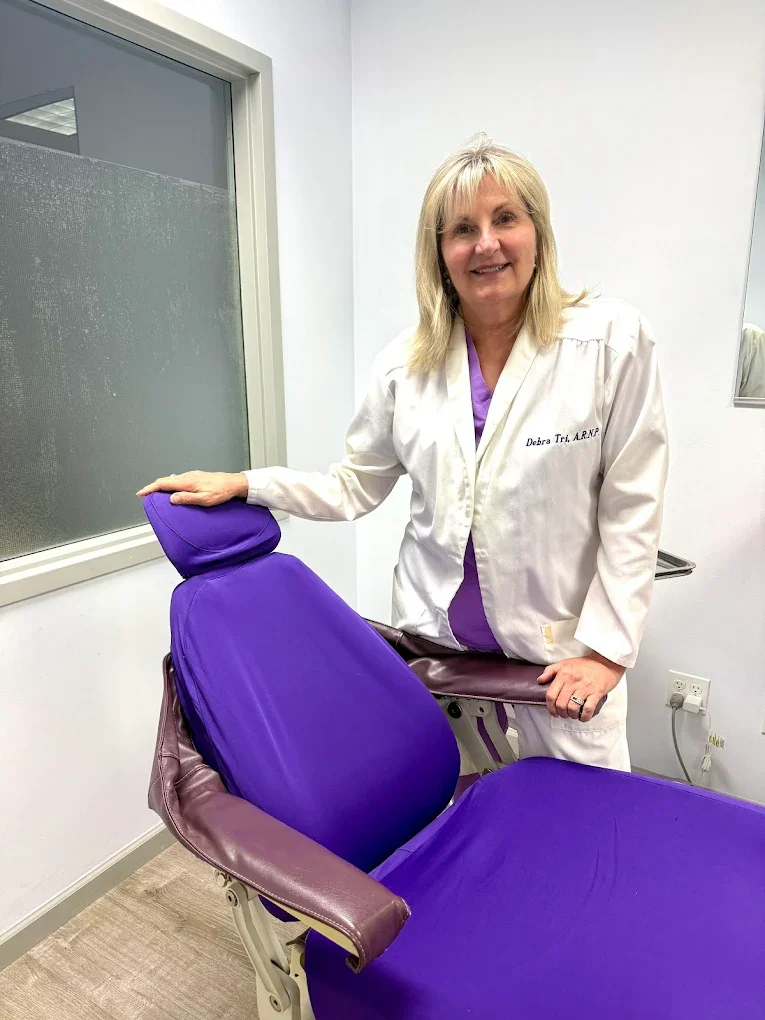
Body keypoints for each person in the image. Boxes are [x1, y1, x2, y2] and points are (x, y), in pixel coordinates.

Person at [138, 133, 668, 772]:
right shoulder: (405, 366)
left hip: (561, 663)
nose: (486, 244)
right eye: (462, 229)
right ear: (439, 252)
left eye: (505, 218)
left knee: (579, 819)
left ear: (538, 233)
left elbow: (631, 508)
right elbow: (353, 485)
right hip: (438, 655)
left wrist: (606, 654)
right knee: (452, 809)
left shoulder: (610, 344)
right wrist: (247, 484)